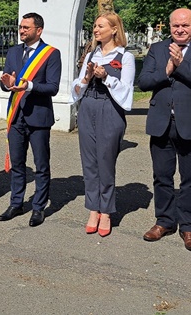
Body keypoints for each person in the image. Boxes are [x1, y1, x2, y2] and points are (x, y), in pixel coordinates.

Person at [137, 8, 191, 251]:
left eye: (185, 26)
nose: (180, 30)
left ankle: (188, 226)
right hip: (162, 122)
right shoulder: (158, 49)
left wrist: (181, 64)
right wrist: (166, 71)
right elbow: (144, 82)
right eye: (175, 26)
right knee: (162, 176)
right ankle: (164, 221)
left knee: (190, 179)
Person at [71, 13, 135, 237]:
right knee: (89, 161)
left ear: (114, 29)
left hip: (111, 109)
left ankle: (106, 211)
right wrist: (87, 78)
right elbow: (77, 90)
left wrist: (106, 76)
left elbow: (127, 91)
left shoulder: (125, 57)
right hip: (88, 106)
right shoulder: (90, 54)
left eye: (100, 26)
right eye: (95, 26)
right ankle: (93, 208)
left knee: (105, 161)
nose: (96, 30)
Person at [0, 12, 61, 227]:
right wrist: (6, 83)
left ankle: (38, 207)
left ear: (38, 30)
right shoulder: (14, 51)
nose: (21, 30)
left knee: (41, 165)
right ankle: (16, 203)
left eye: (26, 27)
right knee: (17, 164)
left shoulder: (51, 54)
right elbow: (6, 82)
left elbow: (53, 87)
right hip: (16, 116)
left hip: (39, 117)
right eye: (20, 27)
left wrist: (29, 85)